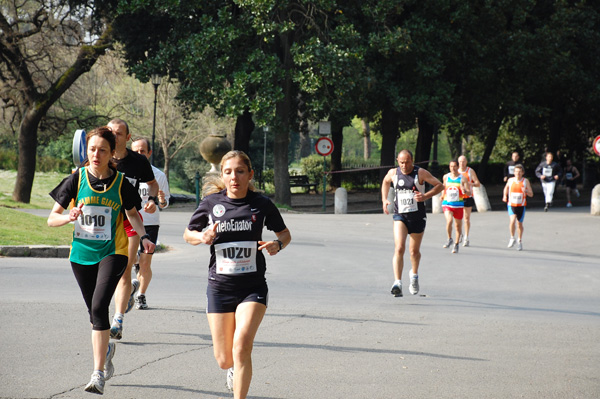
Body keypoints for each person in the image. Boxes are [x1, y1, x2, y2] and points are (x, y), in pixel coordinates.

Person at [48, 126, 155, 394]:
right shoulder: (76, 178)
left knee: (99, 307)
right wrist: (68, 217)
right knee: (94, 314)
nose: (96, 154)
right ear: (87, 150)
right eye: (92, 149)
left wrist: (143, 237)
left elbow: (132, 215)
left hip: (113, 251)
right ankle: (106, 348)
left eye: (102, 150)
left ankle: (97, 374)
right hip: (81, 254)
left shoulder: (121, 183)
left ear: (111, 154)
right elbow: (52, 218)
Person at [183, 151, 291, 399]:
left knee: (241, 345)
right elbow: (188, 234)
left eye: (240, 171)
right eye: (229, 172)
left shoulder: (261, 204)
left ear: (249, 174)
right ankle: (231, 369)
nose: (234, 177)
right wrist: (202, 237)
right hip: (219, 287)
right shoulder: (211, 204)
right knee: (224, 359)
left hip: (252, 287)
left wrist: (278, 244)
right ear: (222, 175)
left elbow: (285, 234)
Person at [107, 119, 159, 340]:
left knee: (125, 268)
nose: (114, 136)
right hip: (106, 222)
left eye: (119, 133)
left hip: (130, 219)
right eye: (110, 132)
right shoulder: (99, 156)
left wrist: (153, 199)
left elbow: (153, 184)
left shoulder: (138, 161)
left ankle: (118, 319)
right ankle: (120, 300)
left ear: (127, 138)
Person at [381, 149, 443, 297]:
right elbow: (385, 182)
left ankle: (414, 275)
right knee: (399, 247)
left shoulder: (420, 173)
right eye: (401, 162)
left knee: (413, 252)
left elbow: (439, 185)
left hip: (417, 217)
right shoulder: (393, 173)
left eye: (407, 162)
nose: (404, 165)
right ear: (397, 160)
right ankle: (397, 282)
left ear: (412, 160)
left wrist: (425, 196)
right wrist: (384, 199)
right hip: (400, 215)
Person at [131, 137, 171, 309]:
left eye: (142, 151)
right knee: (133, 259)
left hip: (150, 224)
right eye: (135, 151)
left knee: (146, 263)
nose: (139, 154)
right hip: (129, 222)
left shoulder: (158, 176)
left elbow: (165, 203)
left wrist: (159, 201)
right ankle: (135, 265)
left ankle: (141, 295)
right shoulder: (124, 172)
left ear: (149, 153)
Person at [441, 160, 470, 254]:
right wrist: (442, 195)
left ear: (458, 167)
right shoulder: (446, 177)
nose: (453, 168)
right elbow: (443, 187)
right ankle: (449, 238)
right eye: (451, 166)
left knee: (458, 226)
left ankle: (456, 243)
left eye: (454, 166)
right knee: (449, 221)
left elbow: (469, 192)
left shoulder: (463, 178)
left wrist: (464, 190)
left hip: (458, 205)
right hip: (447, 203)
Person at [502, 164, 533, 250]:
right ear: (514, 172)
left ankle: (519, 240)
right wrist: (505, 196)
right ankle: (512, 238)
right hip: (511, 204)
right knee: (512, 221)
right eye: (516, 172)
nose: (517, 173)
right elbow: (506, 188)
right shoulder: (510, 180)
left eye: (519, 172)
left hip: (521, 205)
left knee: (519, 224)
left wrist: (526, 191)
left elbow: (531, 194)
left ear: (522, 172)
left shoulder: (525, 181)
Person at [457, 155, 480, 247]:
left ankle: (466, 237)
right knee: (458, 219)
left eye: (463, 161)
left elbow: (478, 184)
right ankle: (459, 235)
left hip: (468, 196)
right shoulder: (456, 171)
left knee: (466, 218)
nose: (462, 163)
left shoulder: (470, 171)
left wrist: (468, 183)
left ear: (466, 162)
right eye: (460, 162)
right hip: (457, 198)